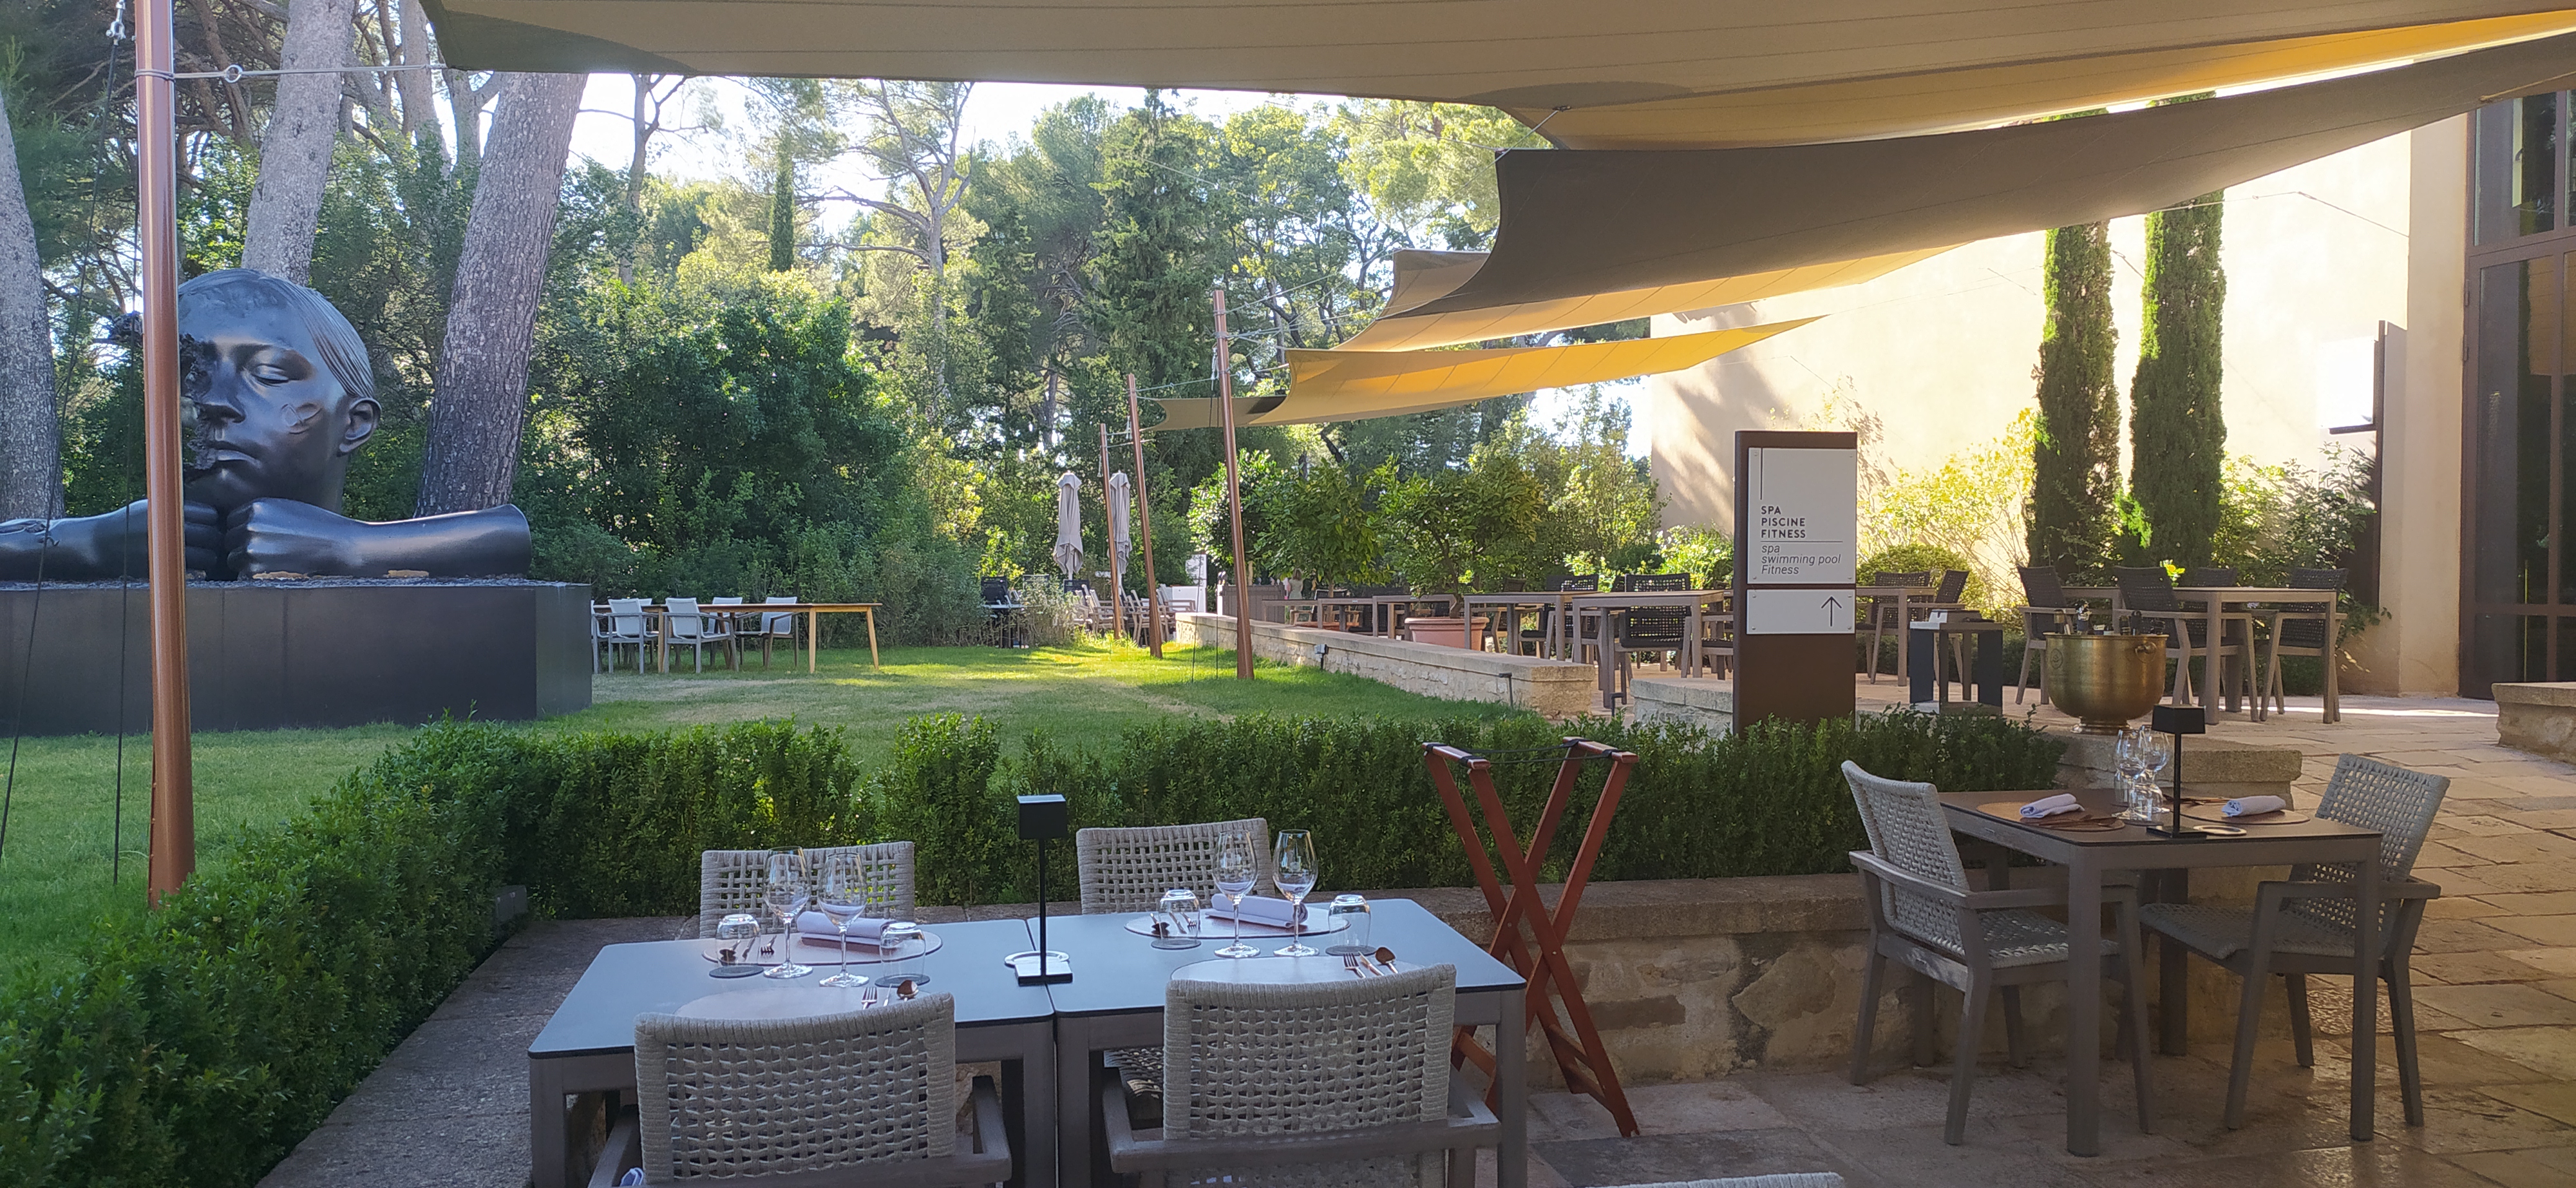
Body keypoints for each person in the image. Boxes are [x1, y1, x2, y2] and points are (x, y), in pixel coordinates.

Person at [0, 269, 531, 580]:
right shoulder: (109, 540)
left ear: (355, 423)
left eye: (268, 375)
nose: (214, 403)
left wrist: (351, 548)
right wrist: (93, 542)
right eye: (188, 374)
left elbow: (507, 535)